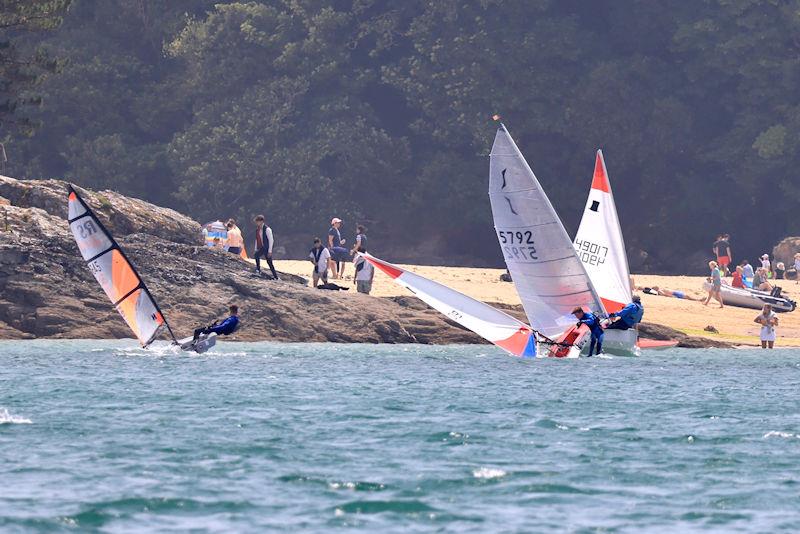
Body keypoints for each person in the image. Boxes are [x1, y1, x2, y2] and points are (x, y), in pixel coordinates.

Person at [253, 215, 278, 279]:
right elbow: (257, 239)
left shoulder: (267, 229)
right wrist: (255, 248)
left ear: (261, 221)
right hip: (262, 247)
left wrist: (270, 251)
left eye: (257, 221)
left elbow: (271, 240)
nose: (256, 223)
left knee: (269, 263)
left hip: (266, 248)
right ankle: (258, 270)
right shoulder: (258, 230)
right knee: (256, 255)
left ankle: (276, 277)